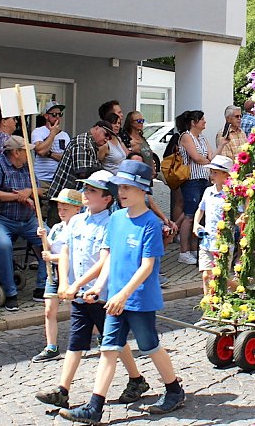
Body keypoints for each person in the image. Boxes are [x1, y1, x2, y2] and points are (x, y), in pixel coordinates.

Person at [59, 160, 184, 423]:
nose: (122, 192)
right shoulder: (115, 219)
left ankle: (174, 389)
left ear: (143, 191)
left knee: (150, 346)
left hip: (138, 299)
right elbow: (108, 259)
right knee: (108, 349)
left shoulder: (150, 223)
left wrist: (123, 294)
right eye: (120, 187)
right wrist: (97, 287)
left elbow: (147, 267)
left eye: (128, 187)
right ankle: (95, 407)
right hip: (115, 298)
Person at [35, 173, 150, 410]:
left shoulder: (112, 223)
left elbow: (103, 261)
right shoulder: (76, 221)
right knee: (76, 342)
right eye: (85, 188)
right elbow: (65, 252)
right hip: (79, 295)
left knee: (114, 342)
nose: (86, 193)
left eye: (92, 191)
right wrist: (66, 284)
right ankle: (62, 390)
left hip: (101, 294)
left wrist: (80, 285)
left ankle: (136, 380)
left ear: (107, 198)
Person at [0, 136, 48, 310]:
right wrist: (17, 197)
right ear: (16, 152)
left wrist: (28, 191)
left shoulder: (27, 166)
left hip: (27, 219)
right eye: (27, 150)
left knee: (48, 239)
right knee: (4, 244)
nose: (30, 154)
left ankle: (41, 286)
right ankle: (10, 292)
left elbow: (40, 190)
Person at [32, 189, 83, 363]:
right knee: (49, 310)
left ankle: (100, 335)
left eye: (65, 209)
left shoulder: (80, 228)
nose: (61, 212)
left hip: (73, 274)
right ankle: (51, 346)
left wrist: (52, 257)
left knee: (83, 310)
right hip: (53, 274)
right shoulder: (57, 228)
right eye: (60, 208)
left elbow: (74, 254)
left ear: (77, 209)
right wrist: (44, 238)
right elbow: (50, 248)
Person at [193, 155, 234, 296]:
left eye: (215, 172)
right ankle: (208, 307)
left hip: (222, 242)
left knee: (221, 278)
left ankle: (241, 291)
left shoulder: (231, 194)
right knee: (206, 275)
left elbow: (242, 212)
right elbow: (201, 209)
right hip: (207, 240)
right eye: (212, 172)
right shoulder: (208, 191)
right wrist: (196, 224)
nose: (212, 175)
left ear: (226, 175)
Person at [178, 110, 215, 264]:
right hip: (191, 179)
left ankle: (194, 248)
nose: (204, 122)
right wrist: (206, 160)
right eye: (202, 120)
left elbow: (211, 157)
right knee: (189, 215)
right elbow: (196, 157)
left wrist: (208, 159)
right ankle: (183, 251)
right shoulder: (186, 136)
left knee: (200, 215)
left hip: (203, 178)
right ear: (193, 122)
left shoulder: (202, 138)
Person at [47, 122, 111, 200]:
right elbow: (84, 172)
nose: (107, 139)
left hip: (71, 198)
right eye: (106, 134)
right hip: (61, 198)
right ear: (96, 128)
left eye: (110, 138)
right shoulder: (82, 142)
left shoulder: (90, 144)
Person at [33, 101, 71, 224]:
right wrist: (52, 134)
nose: (57, 117)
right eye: (54, 114)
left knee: (56, 211)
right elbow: (40, 150)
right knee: (42, 211)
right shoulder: (38, 132)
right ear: (46, 116)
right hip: (42, 178)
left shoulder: (65, 135)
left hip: (58, 179)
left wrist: (49, 154)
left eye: (60, 114)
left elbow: (65, 157)